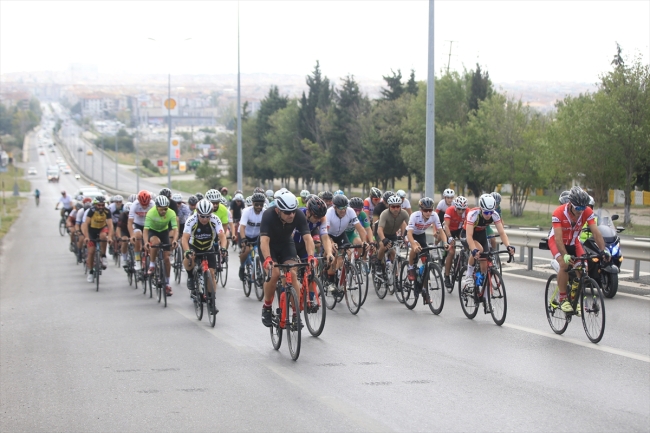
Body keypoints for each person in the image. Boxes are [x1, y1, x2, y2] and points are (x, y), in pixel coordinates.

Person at [260, 191, 317, 327]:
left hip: (286, 244)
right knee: (273, 274)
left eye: (292, 211)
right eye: (287, 212)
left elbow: (307, 238)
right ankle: (267, 307)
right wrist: (268, 259)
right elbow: (264, 240)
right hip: (269, 246)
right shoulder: (268, 215)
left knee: (292, 273)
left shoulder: (298, 215)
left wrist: (310, 256)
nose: (291, 215)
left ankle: (296, 314)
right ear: (277, 210)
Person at [547, 187, 608, 313]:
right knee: (564, 265)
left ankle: (574, 298)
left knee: (583, 268)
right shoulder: (558, 213)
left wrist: (603, 250)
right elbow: (558, 239)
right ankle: (563, 298)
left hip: (574, 242)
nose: (580, 211)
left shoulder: (587, 211)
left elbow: (596, 233)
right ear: (570, 204)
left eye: (583, 208)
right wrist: (565, 255)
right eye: (578, 208)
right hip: (557, 241)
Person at [462, 194, 515, 293]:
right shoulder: (473, 214)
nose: (488, 215)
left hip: (481, 234)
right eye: (486, 212)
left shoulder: (494, 214)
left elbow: (502, 233)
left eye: (490, 212)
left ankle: (486, 301)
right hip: (467, 234)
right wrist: (473, 250)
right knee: (479, 250)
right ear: (481, 208)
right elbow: (469, 236)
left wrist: (508, 246)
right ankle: (468, 276)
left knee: (485, 267)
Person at [183, 199, 227, 314]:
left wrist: (223, 248)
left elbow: (222, 236)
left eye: (207, 216)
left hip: (208, 247)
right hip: (194, 246)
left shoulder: (215, 220)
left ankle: (212, 302)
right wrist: (187, 251)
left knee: (212, 273)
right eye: (202, 216)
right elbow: (184, 239)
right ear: (197, 213)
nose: (205, 219)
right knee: (189, 258)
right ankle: (190, 277)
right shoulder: (191, 220)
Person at [405, 197, 448, 287]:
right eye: (426, 210)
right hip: (410, 235)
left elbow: (441, 230)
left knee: (426, 258)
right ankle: (410, 267)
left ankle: (424, 287)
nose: (428, 212)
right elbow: (409, 234)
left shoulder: (434, 215)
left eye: (430, 210)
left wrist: (445, 243)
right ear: (421, 210)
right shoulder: (415, 216)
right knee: (415, 246)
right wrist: (413, 244)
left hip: (421, 235)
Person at [143, 195, 178, 297]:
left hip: (164, 232)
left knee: (167, 258)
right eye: (161, 209)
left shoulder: (171, 212)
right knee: (156, 243)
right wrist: (146, 242)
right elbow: (145, 230)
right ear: (156, 207)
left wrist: (175, 240)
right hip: (153, 232)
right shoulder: (151, 213)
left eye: (165, 209)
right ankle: (152, 265)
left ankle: (167, 284)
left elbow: (175, 229)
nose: (163, 211)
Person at [81, 196, 114, 282]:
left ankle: (103, 255)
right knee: (91, 252)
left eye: (102, 205)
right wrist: (86, 237)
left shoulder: (107, 211)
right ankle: (91, 272)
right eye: (99, 205)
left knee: (103, 236)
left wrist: (110, 237)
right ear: (95, 205)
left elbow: (110, 225)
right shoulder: (91, 211)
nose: (101, 207)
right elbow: (85, 224)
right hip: (91, 230)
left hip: (102, 228)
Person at [238, 193, 266, 281]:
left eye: (261, 204)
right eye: (256, 204)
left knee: (261, 252)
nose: (259, 206)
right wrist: (243, 239)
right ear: (253, 203)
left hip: (257, 236)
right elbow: (242, 227)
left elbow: (267, 228)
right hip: (244, 234)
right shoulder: (247, 211)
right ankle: (242, 267)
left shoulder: (265, 212)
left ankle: (260, 270)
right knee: (246, 250)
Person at [376, 194, 409, 267]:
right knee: (383, 247)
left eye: (398, 206)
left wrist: (406, 237)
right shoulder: (384, 214)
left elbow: (410, 226)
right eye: (393, 207)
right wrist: (383, 239)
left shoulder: (404, 213)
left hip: (393, 234)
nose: (396, 209)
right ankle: (378, 264)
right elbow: (380, 229)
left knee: (394, 253)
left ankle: (395, 275)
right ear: (389, 206)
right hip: (382, 234)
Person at [442, 196, 468, 287]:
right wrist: (449, 237)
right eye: (459, 209)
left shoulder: (467, 212)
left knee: (467, 243)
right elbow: (446, 226)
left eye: (463, 209)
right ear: (455, 207)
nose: (461, 211)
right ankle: (447, 276)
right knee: (451, 251)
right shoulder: (450, 210)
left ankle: (461, 260)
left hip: (460, 230)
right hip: (449, 230)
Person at [128, 190, 154, 271]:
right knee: (138, 237)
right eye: (143, 205)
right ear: (139, 201)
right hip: (138, 224)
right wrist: (132, 235)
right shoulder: (134, 205)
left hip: (148, 225)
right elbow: (129, 222)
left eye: (146, 204)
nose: (144, 207)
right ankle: (137, 260)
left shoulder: (153, 204)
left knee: (152, 240)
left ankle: (152, 259)